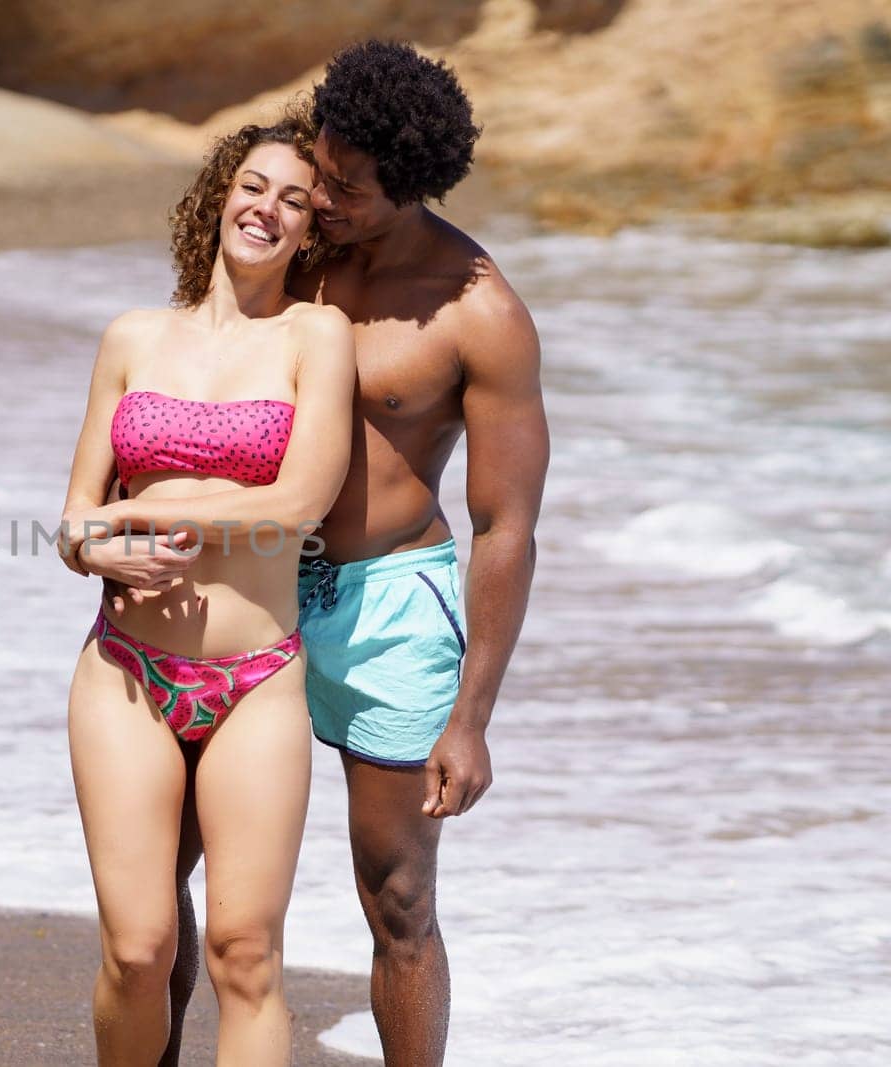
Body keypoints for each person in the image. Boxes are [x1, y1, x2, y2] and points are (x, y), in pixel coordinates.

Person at [119, 40, 550, 1066]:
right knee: (169, 873)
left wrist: (472, 716)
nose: (322, 199)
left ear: (410, 185)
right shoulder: (303, 249)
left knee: (397, 891)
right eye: (321, 168)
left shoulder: (478, 312)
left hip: (387, 601)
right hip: (249, 586)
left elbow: (508, 524)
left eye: (348, 187)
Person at [57, 116, 357, 1065]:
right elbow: (74, 519)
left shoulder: (317, 335)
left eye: (295, 201)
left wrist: (139, 524)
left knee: (245, 952)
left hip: (257, 677)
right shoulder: (133, 336)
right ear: (220, 195)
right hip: (125, 672)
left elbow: (302, 502)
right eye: (254, 186)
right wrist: (92, 551)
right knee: (138, 948)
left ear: (310, 232)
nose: (267, 209)